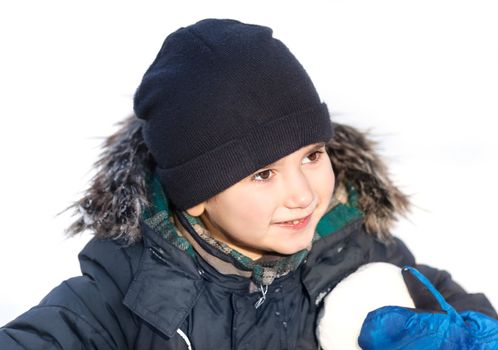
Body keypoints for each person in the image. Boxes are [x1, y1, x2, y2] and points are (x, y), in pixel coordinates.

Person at [0, 18, 496, 349]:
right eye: (263, 174)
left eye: (312, 155)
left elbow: (461, 310)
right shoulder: (128, 294)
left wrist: (470, 337)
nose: (302, 194)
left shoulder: (357, 253)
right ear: (196, 198)